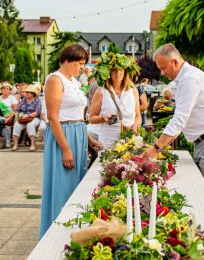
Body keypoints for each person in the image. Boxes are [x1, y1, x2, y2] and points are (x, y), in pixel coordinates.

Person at [141, 44, 204, 209]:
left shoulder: (190, 79)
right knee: (203, 197)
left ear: (175, 62)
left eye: (163, 67)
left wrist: (155, 148)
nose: (162, 72)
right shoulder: (184, 79)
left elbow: (179, 119)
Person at [40, 44, 103, 237]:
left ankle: (74, 232)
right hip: (63, 135)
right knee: (63, 184)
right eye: (80, 63)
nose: (82, 67)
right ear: (68, 61)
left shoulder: (73, 82)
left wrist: (90, 140)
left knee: (76, 185)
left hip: (78, 133)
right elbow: (53, 117)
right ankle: (56, 233)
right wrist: (65, 149)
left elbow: (77, 116)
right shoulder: (55, 80)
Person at [88, 52, 142, 149]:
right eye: (114, 70)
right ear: (108, 72)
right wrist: (102, 118)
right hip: (108, 140)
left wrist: (135, 126)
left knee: (129, 163)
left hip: (129, 139)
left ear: (125, 71)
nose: (118, 73)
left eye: (121, 69)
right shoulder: (101, 92)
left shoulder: (133, 91)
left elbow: (138, 116)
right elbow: (91, 118)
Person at [12, 84, 43, 151]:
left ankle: (32, 145)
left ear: (33, 93)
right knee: (16, 125)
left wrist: (28, 115)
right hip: (23, 118)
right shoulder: (24, 99)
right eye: (26, 92)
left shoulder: (37, 100)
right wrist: (18, 116)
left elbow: (38, 112)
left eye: (28, 92)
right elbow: (17, 109)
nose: (26, 93)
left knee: (30, 125)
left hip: (34, 118)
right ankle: (16, 144)